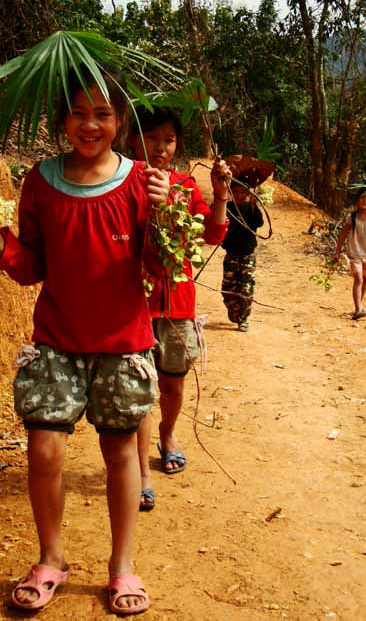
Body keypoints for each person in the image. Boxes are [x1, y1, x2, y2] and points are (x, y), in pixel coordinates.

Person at [0, 67, 169, 615]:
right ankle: (50, 557)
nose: (90, 125)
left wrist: (161, 214)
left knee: (119, 452)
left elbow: (158, 268)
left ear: (120, 121)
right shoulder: (40, 181)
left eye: (103, 114)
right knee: (44, 448)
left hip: (123, 343)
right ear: (61, 117)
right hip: (57, 339)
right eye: (79, 113)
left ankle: (122, 565)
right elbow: (33, 263)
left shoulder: (140, 182)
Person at [127, 107, 231, 511]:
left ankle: (168, 435)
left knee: (172, 383)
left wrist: (220, 192)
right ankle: (141, 472)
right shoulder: (123, 180)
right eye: (153, 137)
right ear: (134, 139)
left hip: (178, 303)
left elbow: (213, 232)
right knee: (139, 391)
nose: (161, 147)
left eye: (169, 140)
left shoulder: (186, 185)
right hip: (134, 302)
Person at [221, 178, 264, 331]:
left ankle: (243, 319)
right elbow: (215, 215)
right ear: (231, 193)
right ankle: (234, 313)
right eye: (236, 192)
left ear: (248, 194)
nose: (239, 196)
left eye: (243, 192)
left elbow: (259, 223)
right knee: (228, 288)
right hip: (231, 255)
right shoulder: (227, 207)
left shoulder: (251, 208)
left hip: (248, 255)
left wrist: (254, 205)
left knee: (246, 288)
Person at [334, 187, 366, 319]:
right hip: (355, 254)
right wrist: (337, 251)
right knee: (358, 279)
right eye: (362, 197)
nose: (365, 200)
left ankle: (359, 304)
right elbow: (343, 235)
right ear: (356, 200)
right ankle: (358, 308)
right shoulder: (352, 218)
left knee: (365, 280)